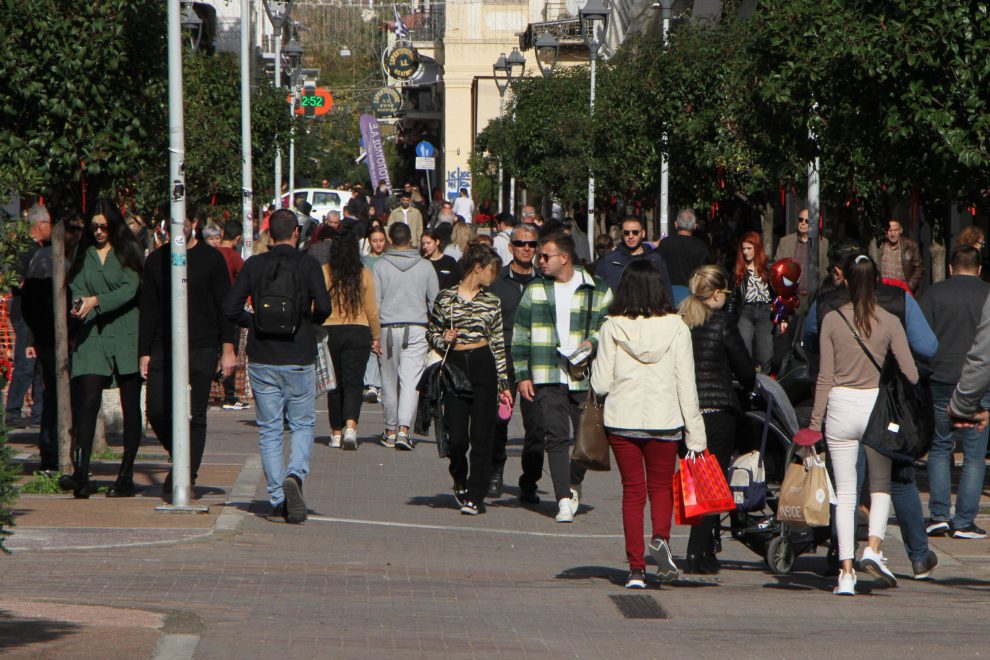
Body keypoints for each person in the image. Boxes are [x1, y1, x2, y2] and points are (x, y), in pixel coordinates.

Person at [805, 239, 939, 581]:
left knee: (846, 493)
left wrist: (813, 424)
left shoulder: (832, 317)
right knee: (883, 485)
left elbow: (823, 375)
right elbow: (912, 371)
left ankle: (845, 572)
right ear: (878, 279)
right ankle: (875, 549)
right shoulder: (892, 316)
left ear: (845, 277)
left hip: (838, 407)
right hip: (877, 408)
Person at [592, 260, 706, 589]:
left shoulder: (612, 326)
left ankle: (635, 569)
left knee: (632, 493)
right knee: (660, 489)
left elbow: (600, 384)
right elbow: (686, 384)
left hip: (622, 420)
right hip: (664, 420)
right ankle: (661, 539)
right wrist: (695, 433)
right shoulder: (677, 327)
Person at [223, 209, 332, 524]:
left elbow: (230, 307)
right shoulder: (308, 265)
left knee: (270, 429)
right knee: (302, 424)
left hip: (263, 357)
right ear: (296, 233)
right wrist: (307, 323)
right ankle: (295, 476)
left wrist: (254, 322)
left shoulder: (255, 265)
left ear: (269, 235)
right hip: (298, 355)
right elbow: (324, 306)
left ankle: (277, 497)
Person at [512, 232, 612, 523]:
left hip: (585, 376)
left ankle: (573, 480)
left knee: (587, 436)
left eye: (546, 256)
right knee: (555, 436)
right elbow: (521, 334)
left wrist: (592, 341)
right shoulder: (535, 289)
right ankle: (563, 499)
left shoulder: (596, 288)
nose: (539, 260)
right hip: (547, 372)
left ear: (564, 258)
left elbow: (611, 323)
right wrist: (522, 375)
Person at [139, 216, 237, 498]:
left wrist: (227, 348)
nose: (177, 228)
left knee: (195, 416)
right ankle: (181, 459)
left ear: (193, 222)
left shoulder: (212, 259)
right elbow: (149, 308)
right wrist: (143, 352)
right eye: (171, 222)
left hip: (202, 347)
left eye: (181, 221)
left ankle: (187, 476)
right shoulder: (156, 261)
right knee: (156, 410)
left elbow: (224, 306)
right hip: (162, 347)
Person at [58, 199, 145, 499]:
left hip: (125, 333)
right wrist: (80, 304)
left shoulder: (127, 254)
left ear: (114, 227)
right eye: (93, 226)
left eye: (103, 226)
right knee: (88, 400)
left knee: (130, 402)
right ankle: (81, 473)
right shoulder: (85, 255)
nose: (97, 231)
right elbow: (78, 287)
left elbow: (130, 289)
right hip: (92, 332)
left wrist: (97, 301)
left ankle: (126, 475)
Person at [678, 265, 756, 574]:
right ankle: (698, 553)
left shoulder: (680, 321)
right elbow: (745, 370)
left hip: (686, 413)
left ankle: (703, 549)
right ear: (715, 294)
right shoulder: (722, 323)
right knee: (713, 484)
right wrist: (748, 386)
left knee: (695, 483)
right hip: (718, 412)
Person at [427, 243, 510, 515]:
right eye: (491, 270)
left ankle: (476, 494)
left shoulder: (492, 301)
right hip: (455, 367)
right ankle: (459, 476)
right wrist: (443, 338)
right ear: (478, 268)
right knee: (458, 436)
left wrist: (503, 384)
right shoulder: (446, 298)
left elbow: (497, 343)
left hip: (483, 364)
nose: (494, 276)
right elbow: (431, 331)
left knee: (482, 434)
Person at [920, 245, 990, 539]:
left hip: (941, 377)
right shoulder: (987, 293)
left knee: (939, 446)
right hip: (980, 384)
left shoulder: (935, 294)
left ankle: (938, 515)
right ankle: (963, 520)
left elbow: (921, 337)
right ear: (979, 268)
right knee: (974, 455)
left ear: (950, 267)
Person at [21, 217, 86, 471]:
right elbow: (32, 302)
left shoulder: (79, 258)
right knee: (54, 394)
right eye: (73, 230)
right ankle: (52, 451)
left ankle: (70, 450)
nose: (76, 235)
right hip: (53, 338)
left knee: (70, 393)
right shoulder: (47, 259)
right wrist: (43, 336)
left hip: (69, 337)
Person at [489, 225, 544, 502]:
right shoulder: (497, 281)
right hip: (505, 358)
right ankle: (495, 469)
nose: (526, 248)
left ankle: (529, 480)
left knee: (536, 425)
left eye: (532, 244)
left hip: (536, 361)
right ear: (510, 247)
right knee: (500, 419)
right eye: (521, 243)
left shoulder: (545, 282)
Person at [374, 222, 440, 450]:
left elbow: (375, 302)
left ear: (390, 240)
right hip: (418, 327)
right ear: (411, 239)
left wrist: (373, 334)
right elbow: (435, 301)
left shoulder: (381, 266)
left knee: (389, 382)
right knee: (411, 381)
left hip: (387, 327)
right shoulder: (425, 266)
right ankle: (404, 430)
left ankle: (390, 430)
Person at [322, 230, 381, 450]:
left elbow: (316, 304)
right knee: (354, 382)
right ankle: (350, 428)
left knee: (334, 384)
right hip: (358, 330)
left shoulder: (325, 272)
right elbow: (372, 310)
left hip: (330, 330)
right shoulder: (364, 273)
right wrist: (376, 336)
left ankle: (335, 433)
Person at [5, 203, 50, 428]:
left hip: (38, 313)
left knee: (38, 363)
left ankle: (38, 412)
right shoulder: (23, 250)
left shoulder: (43, 249)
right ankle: (13, 410)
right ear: (40, 224)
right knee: (25, 362)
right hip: (24, 313)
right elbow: (17, 281)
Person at [595, 217, 674, 303]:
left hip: (648, 314)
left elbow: (667, 293)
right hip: (615, 314)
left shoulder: (655, 260)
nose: (631, 236)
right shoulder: (608, 261)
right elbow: (597, 293)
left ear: (643, 233)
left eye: (635, 232)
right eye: (626, 233)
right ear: (622, 234)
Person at [729, 231, 775, 373]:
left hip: (765, 311)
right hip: (746, 311)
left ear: (757, 248)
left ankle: (766, 385)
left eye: (749, 248)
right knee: (744, 349)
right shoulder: (739, 270)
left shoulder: (768, 267)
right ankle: (747, 384)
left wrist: (782, 316)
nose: (746, 252)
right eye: (744, 249)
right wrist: (729, 319)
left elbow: (778, 293)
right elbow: (733, 297)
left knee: (766, 353)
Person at [215, 220, 249, 411]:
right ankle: (229, 395)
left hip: (212, 310)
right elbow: (244, 281)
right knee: (231, 351)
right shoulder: (235, 257)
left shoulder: (212, 253)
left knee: (214, 349)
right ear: (237, 238)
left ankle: (213, 380)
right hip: (230, 310)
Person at [948, 293, 990, 431]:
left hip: (945, 372)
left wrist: (962, 406)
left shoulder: (933, 293)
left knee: (941, 442)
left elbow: (984, 356)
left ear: (950, 269)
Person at [774, 208, 829, 305]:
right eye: (800, 220)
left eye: (807, 221)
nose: (803, 223)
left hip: (815, 299)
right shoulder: (785, 242)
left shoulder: (822, 243)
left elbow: (826, 271)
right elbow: (777, 269)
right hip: (791, 298)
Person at [868, 218, 923, 294]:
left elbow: (919, 268)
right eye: (890, 230)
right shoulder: (880, 246)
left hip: (902, 290)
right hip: (883, 290)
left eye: (896, 230)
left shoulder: (911, 245)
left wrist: (909, 287)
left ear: (900, 231)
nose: (893, 234)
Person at [658, 209, 709, 288]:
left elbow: (659, 268)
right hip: (691, 293)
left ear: (676, 224)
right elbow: (703, 272)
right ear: (694, 226)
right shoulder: (701, 246)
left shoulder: (665, 243)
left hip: (668, 292)